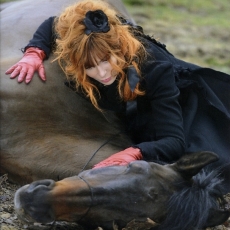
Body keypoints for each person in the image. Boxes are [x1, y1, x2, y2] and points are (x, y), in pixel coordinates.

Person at [5, 0, 230, 169]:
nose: (101, 73)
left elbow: (173, 141)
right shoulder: (80, 41)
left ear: (117, 49)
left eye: (105, 61)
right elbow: (52, 24)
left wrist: (136, 152)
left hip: (165, 102)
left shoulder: (155, 68)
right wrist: (34, 51)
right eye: (89, 67)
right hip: (126, 92)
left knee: (204, 161)